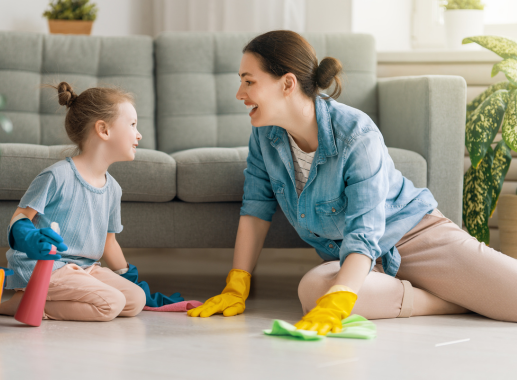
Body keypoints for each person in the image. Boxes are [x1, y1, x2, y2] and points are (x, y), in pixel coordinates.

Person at [188, 30, 517, 334]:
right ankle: (452, 301)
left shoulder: (356, 134)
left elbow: (365, 229)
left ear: (287, 84)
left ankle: (455, 290)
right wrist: (237, 283)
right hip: (360, 260)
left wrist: (343, 295)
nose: (239, 93)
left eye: (249, 81)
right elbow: (256, 207)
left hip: (416, 237)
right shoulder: (264, 136)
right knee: (313, 291)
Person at [0, 82, 146, 321]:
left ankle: (40, 298)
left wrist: (126, 275)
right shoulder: (57, 176)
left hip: (85, 269)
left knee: (135, 300)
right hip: (44, 266)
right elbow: (19, 218)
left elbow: (109, 242)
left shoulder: (113, 189)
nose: (139, 134)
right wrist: (29, 238)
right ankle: (24, 303)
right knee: (112, 304)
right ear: (104, 130)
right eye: (132, 125)